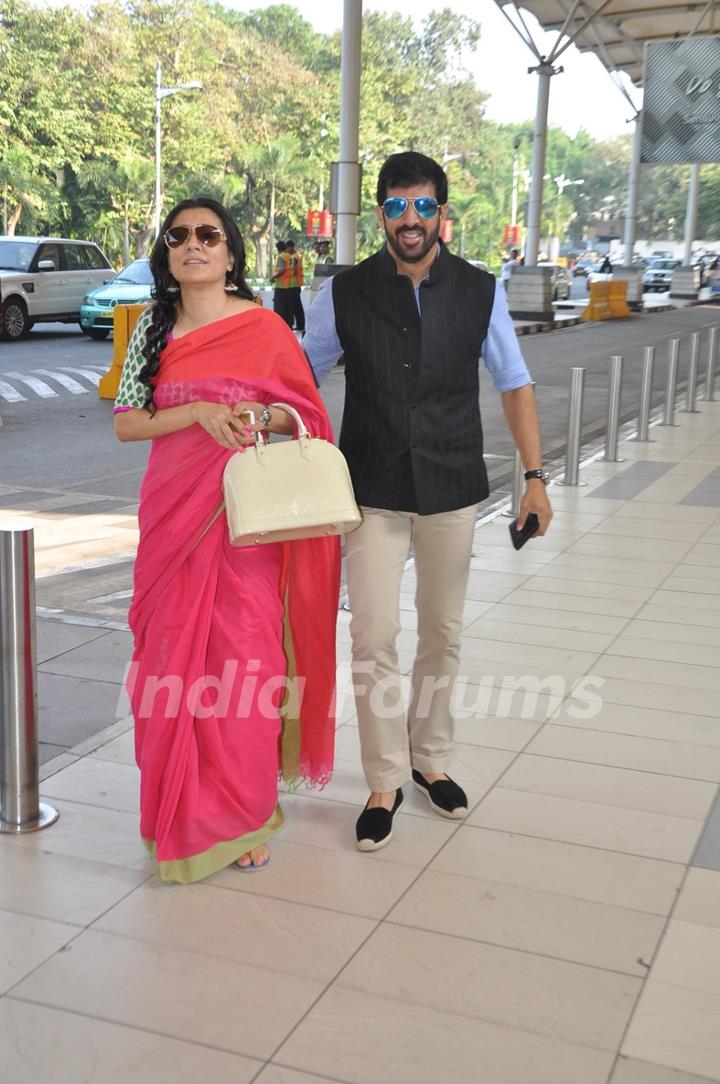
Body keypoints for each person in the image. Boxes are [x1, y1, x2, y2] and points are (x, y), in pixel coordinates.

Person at [303, 151, 552, 852]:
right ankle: (383, 779)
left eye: (422, 206)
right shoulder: (344, 292)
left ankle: (429, 758)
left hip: (448, 484)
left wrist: (534, 476)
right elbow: (301, 373)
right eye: (395, 207)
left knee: (442, 633)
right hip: (373, 485)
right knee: (372, 635)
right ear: (380, 213)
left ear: (443, 213)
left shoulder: (481, 289)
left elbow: (514, 381)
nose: (409, 220)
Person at [113, 197, 340, 883]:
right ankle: (179, 816)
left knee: (247, 664)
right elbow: (128, 421)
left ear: (232, 253)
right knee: (169, 664)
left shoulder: (267, 329)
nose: (194, 245)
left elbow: (304, 416)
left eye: (208, 235)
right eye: (179, 236)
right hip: (173, 521)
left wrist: (258, 414)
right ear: (168, 254)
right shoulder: (152, 326)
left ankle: (243, 815)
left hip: (247, 524)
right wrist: (197, 412)